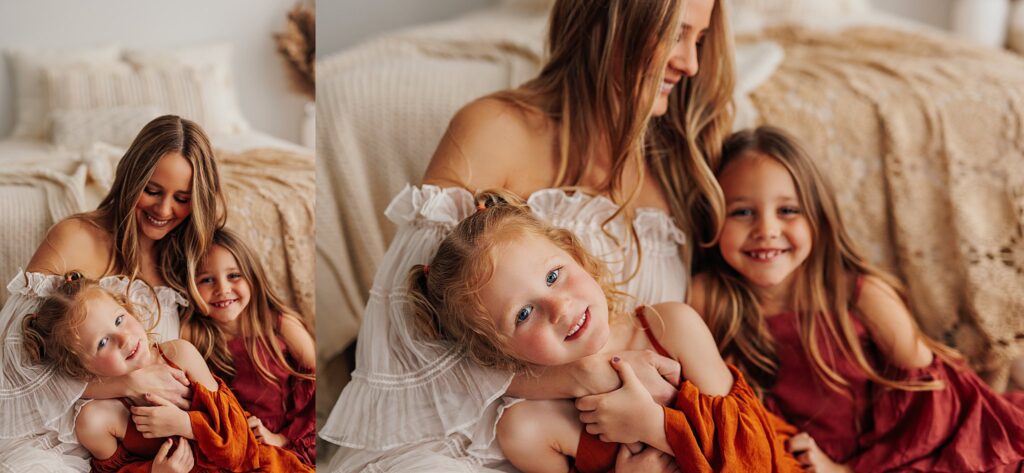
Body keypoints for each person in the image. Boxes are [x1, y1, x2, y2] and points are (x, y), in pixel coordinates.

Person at [322, 0, 735, 470]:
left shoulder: (680, 163)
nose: (690, 63)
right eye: (676, 34)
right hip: (465, 444)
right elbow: (404, 340)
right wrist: (584, 376)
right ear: (613, 19)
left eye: (699, 40)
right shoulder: (495, 129)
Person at [689, 126, 1024, 472]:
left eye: (788, 210)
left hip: (926, 448)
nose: (767, 230)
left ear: (819, 217)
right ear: (713, 218)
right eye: (742, 212)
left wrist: (846, 470)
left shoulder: (862, 296)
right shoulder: (710, 299)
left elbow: (936, 404)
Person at [406, 190, 802, 472]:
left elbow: (757, 456)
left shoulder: (670, 327)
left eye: (553, 275)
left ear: (576, 256)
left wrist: (657, 428)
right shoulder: (529, 429)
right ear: (497, 351)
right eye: (524, 313)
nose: (559, 308)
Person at [0, 115, 225, 471]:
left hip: (132, 456)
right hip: (45, 438)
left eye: (182, 198)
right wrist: (126, 381)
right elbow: (12, 364)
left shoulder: (183, 264)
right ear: (130, 178)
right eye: (151, 190)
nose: (164, 210)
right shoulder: (76, 238)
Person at [20, 273, 313, 472]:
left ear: (129, 309)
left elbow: (242, 449)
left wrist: (187, 425)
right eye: (102, 342)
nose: (123, 339)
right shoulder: (97, 420)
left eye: (120, 320)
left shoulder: (178, 355)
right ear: (82, 368)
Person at [181, 228, 316, 466]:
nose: (222, 289)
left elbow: (319, 392)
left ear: (252, 277)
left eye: (234, 275)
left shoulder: (280, 326)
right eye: (206, 280)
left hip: (288, 443)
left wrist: (281, 438)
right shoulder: (195, 337)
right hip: (231, 448)